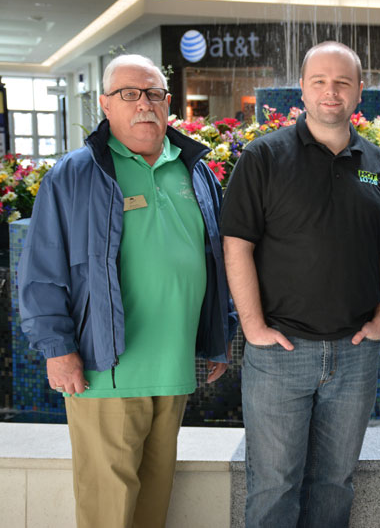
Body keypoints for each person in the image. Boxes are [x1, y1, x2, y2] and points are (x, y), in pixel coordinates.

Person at [18, 54, 237, 527]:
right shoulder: (75, 175)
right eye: (129, 94)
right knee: (107, 513)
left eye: (154, 94)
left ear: (168, 103)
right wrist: (58, 349)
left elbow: (216, 260)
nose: (144, 104)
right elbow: (40, 271)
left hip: (174, 370)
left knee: (152, 510)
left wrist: (220, 333)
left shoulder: (195, 170)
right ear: (105, 105)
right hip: (106, 371)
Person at [220, 41, 380, 528]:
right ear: (302, 88)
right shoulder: (263, 157)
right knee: (274, 485)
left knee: (334, 484)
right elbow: (236, 245)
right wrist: (254, 327)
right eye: (320, 81)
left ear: (359, 91)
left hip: (354, 354)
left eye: (342, 82)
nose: (331, 91)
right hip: (280, 354)